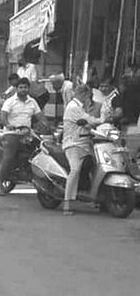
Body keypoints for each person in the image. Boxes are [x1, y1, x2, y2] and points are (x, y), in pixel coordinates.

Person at [0, 77, 49, 196]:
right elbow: (3, 117)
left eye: (25, 87)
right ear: (17, 89)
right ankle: (0, 185)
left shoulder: (32, 102)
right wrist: (9, 125)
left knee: (40, 150)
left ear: (28, 89)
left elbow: (40, 116)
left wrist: (47, 125)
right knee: (9, 157)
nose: (23, 90)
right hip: (12, 133)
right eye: (21, 87)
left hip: (28, 132)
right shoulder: (10, 101)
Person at [62, 84, 104, 215]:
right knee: (75, 169)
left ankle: (96, 198)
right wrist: (103, 119)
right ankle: (67, 203)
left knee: (98, 166)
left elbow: (86, 125)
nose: (89, 98)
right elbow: (89, 121)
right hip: (73, 144)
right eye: (88, 96)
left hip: (85, 143)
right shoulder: (73, 107)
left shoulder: (80, 107)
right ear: (83, 95)